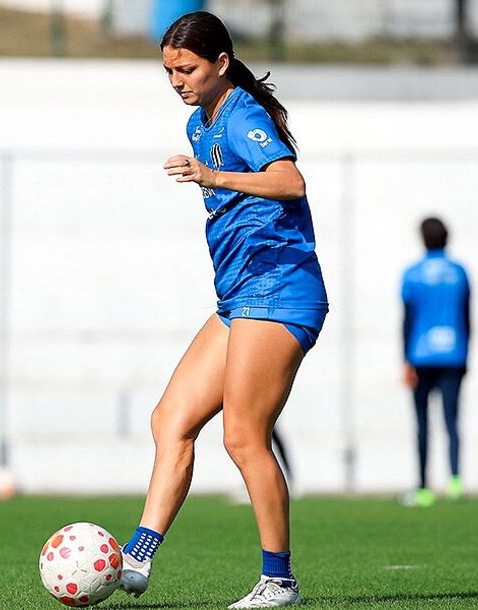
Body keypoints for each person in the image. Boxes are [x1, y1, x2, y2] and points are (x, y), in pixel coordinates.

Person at [119, 11, 329, 608]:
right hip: (239, 296)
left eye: (186, 69)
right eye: (169, 71)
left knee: (242, 436)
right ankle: (137, 555)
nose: (177, 80)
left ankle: (278, 580)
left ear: (220, 63)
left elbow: (291, 183)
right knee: (170, 419)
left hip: (281, 288)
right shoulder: (198, 123)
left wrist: (214, 174)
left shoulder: (243, 116)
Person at [400, 217, 472, 508]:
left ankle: (423, 487)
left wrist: (405, 359)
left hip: (421, 353)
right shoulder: (459, 273)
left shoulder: (413, 274)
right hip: (454, 351)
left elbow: (406, 320)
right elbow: (468, 316)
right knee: (452, 421)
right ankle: (455, 481)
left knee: (422, 423)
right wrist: (467, 352)